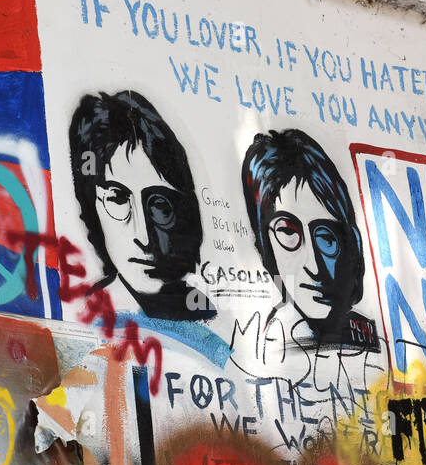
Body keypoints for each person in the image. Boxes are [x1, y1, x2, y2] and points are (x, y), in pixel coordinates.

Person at [69, 91, 206, 321]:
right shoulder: (88, 318)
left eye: (160, 204)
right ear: (92, 207)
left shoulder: (205, 311)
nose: (143, 235)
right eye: (118, 198)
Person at [239, 129, 376, 352]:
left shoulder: (367, 339)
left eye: (326, 238)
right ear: (264, 244)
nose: (313, 266)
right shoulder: (265, 342)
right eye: (288, 232)